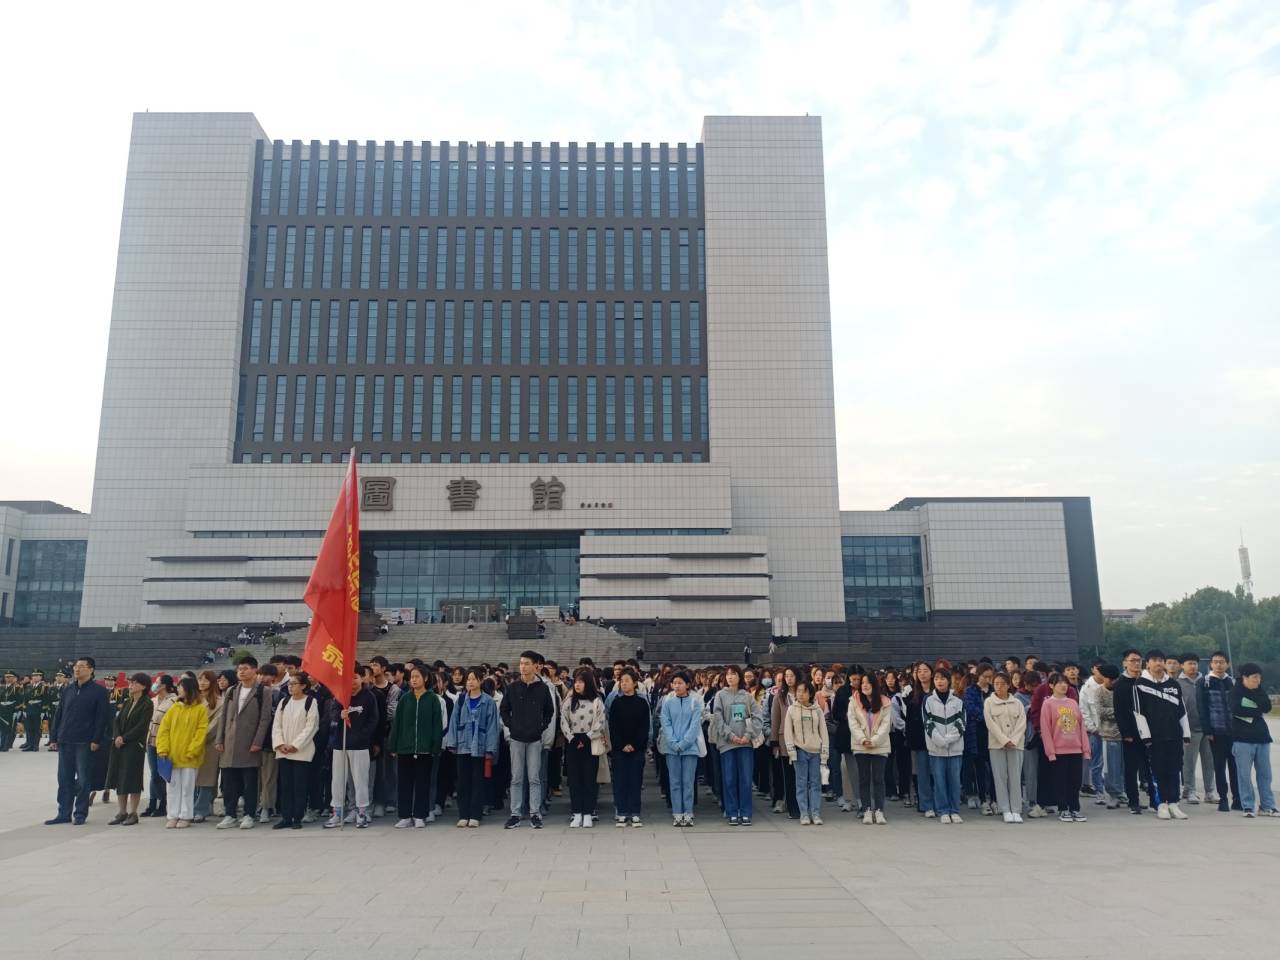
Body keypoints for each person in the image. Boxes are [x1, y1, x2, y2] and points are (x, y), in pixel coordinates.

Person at [46, 658, 111, 825]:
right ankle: (63, 813)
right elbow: (59, 714)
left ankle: (80, 813)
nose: (77, 669)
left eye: (81, 666)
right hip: (65, 740)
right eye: (76, 666)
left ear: (91, 670)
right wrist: (54, 737)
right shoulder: (68, 689)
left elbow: (101, 718)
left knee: (83, 780)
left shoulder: (99, 691)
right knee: (64, 779)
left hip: (85, 742)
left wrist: (96, 739)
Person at [214, 655, 273, 830]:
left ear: (255, 670)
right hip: (229, 743)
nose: (242, 672)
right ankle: (230, 814)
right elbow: (223, 716)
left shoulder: (263, 691)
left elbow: (265, 719)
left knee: (250, 782)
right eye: (240, 669)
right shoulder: (232, 690)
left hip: (249, 743)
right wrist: (219, 739)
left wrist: (258, 741)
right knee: (229, 782)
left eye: (246, 668)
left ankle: (249, 814)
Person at [1134, 649, 1191, 820]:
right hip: (1154, 737)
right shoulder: (1140, 684)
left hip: (1174, 735)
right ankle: (1160, 804)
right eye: (1154, 660)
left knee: (1174, 769)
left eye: (1161, 660)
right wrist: (1146, 736)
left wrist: (1186, 733)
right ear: (1148, 664)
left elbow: (1182, 710)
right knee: (1157, 771)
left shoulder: (1173, 684)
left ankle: (1173, 802)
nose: (1158, 663)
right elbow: (1138, 712)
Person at [500, 651, 554, 830]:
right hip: (516, 738)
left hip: (535, 739)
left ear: (535, 666)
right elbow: (504, 709)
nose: (523, 666)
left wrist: (541, 727)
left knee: (534, 778)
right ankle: (515, 814)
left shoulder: (543, 688)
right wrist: (511, 725)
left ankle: (534, 813)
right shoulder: (513, 687)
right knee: (516, 778)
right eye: (521, 663)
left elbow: (549, 711)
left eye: (526, 663)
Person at [443, 667, 498, 828]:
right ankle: (463, 814)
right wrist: (452, 743)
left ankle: (475, 814)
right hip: (463, 746)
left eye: (474, 679)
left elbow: (492, 727)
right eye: (468, 679)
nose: (470, 682)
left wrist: (490, 748)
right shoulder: (461, 700)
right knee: (463, 782)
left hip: (480, 747)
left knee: (477, 782)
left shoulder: (488, 701)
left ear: (480, 681)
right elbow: (454, 722)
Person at [325, 670, 380, 828]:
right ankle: (337, 812)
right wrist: (339, 714)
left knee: (361, 780)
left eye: (355, 677)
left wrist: (362, 736)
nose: (352, 681)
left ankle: (362, 812)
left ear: (361, 678)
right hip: (340, 744)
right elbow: (332, 713)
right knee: (338, 780)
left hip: (360, 745)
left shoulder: (369, 696)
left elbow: (373, 719)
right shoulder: (340, 694)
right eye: (349, 678)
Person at [391, 666, 445, 828]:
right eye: (412, 677)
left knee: (423, 783)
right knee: (404, 783)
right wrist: (394, 745)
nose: (413, 680)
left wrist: (435, 746)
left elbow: (437, 725)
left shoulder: (433, 699)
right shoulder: (405, 699)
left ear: (425, 678)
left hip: (424, 749)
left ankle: (420, 815)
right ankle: (405, 816)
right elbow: (397, 724)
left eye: (417, 677)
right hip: (405, 748)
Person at [155, 675, 209, 829]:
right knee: (172, 787)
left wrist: (193, 750)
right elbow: (164, 730)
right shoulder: (174, 708)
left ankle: (185, 816)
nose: (178, 689)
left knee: (187, 788)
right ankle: (172, 815)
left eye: (180, 686)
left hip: (189, 757)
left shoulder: (200, 709)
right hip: (172, 756)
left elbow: (201, 731)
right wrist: (163, 749)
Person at [712, 664, 762, 826]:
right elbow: (718, 718)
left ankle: (746, 812)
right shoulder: (720, 695)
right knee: (729, 779)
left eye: (733, 674)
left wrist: (748, 735)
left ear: (739, 677)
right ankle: (732, 811)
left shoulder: (747, 696)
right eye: (728, 674)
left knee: (746, 779)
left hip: (745, 744)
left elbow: (757, 717)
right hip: (727, 744)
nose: (730, 677)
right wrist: (730, 735)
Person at [270, 671, 320, 830]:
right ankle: (286, 817)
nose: (290, 687)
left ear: (303, 686)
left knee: (299, 786)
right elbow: (276, 725)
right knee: (285, 786)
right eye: (289, 684)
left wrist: (295, 745)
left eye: (294, 684)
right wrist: (280, 744)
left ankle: (297, 817)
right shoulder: (284, 702)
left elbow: (311, 726)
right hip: (283, 751)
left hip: (301, 752)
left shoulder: (310, 701)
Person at [105, 673, 153, 826]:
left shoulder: (147, 703)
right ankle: (122, 812)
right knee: (120, 778)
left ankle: (133, 813)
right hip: (119, 745)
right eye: (130, 683)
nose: (130, 685)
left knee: (132, 778)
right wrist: (117, 736)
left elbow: (141, 726)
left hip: (133, 746)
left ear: (143, 686)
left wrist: (124, 738)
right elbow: (117, 721)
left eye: (134, 683)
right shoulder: (127, 701)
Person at [1040, 672, 1089, 823]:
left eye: (1065, 683)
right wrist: (1050, 752)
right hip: (1059, 750)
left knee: (1075, 781)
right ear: (1051, 685)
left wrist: (1085, 749)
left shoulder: (1073, 703)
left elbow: (1081, 727)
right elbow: (1046, 730)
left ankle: (1075, 808)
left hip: (1076, 749)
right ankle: (1063, 808)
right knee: (1060, 781)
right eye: (1059, 683)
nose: (1063, 685)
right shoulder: (1048, 704)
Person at [561, 667, 606, 828]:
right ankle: (577, 813)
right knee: (574, 780)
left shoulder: (596, 701)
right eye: (576, 682)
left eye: (581, 682)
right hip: (573, 742)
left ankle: (588, 812)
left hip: (590, 742)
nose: (577, 685)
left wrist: (587, 737)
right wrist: (572, 738)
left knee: (589, 779)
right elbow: (563, 721)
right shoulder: (569, 701)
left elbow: (600, 722)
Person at [1229, 664, 1276, 818]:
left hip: (1262, 737)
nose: (1258, 680)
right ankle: (1248, 806)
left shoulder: (1259, 690)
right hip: (1242, 739)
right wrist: (1257, 710)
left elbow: (1267, 707)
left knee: (1265, 774)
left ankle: (1268, 805)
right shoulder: (1235, 691)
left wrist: (1255, 700)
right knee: (1244, 774)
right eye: (1255, 677)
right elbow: (1236, 709)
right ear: (1245, 677)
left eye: (1259, 677)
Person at [660, 670, 705, 827]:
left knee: (688, 782)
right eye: (674, 683)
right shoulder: (667, 703)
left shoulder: (694, 703)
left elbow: (694, 725)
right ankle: (677, 813)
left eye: (680, 683)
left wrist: (684, 743)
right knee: (675, 782)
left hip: (690, 748)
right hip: (671, 748)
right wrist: (673, 742)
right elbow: (665, 724)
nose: (677, 686)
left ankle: (688, 812)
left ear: (687, 684)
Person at [1197, 651, 1241, 812]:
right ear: (1211, 664)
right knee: (1219, 767)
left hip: (1234, 732)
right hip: (1215, 732)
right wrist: (1207, 730)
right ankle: (1223, 799)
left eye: (1222, 662)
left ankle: (1237, 799)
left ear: (1227, 664)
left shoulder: (1233, 682)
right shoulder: (1204, 682)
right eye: (1215, 662)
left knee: (1235, 767)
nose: (1218, 665)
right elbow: (1201, 708)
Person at [983, 671, 1026, 823]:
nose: (999, 686)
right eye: (996, 684)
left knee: (1015, 777)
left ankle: (1016, 809)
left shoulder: (1017, 703)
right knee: (1000, 777)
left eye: (1002, 684)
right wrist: (1003, 740)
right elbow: (990, 724)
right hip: (996, 745)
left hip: (1016, 744)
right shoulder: (989, 702)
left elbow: (1022, 723)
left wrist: (1013, 740)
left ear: (1008, 685)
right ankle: (1005, 809)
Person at [924, 667, 965, 824]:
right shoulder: (928, 701)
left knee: (955, 781)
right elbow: (927, 723)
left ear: (949, 681)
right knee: (939, 781)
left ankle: (954, 810)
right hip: (936, 749)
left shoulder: (958, 701)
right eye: (936, 679)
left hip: (955, 749)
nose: (939, 681)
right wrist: (940, 741)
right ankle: (943, 810)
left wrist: (948, 739)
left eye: (942, 678)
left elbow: (961, 723)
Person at [785, 678, 828, 826]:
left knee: (815, 784)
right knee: (801, 784)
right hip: (800, 751)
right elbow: (788, 732)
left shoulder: (817, 710)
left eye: (804, 691)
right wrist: (791, 751)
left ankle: (815, 813)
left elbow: (823, 732)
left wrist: (824, 753)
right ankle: (804, 813)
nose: (801, 694)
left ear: (810, 693)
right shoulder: (791, 709)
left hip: (815, 752)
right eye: (798, 691)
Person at [1113, 648, 1151, 815]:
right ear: (1125, 663)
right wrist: (1126, 733)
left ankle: (1154, 799)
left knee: (1148, 767)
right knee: (1131, 768)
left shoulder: (1145, 681)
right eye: (1133, 660)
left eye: (1138, 660)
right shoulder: (1120, 684)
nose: (1136, 663)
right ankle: (1133, 801)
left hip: (1148, 732)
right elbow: (1119, 711)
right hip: (1131, 733)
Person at [608, 668, 648, 827]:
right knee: (620, 781)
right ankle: (622, 812)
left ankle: (635, 812)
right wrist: (621, 745)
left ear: (635, 683)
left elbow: (644, 727)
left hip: (637, 749)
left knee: (635, 780)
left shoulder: (641, 703)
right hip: (619, 750)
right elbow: (613, 727)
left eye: (627, 681)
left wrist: (635, 745)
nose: (623, 684)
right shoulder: (616, 703)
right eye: (621, 681)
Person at [849, 672, 890, 824]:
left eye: (868, 682)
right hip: (861, 745)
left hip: (880, 745)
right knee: (864, 778)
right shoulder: (853, 701)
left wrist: (874, 740)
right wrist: (863, 739)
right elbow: (852, 723)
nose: (864, 685)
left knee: (878, 779)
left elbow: (886, 725)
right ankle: (866, 809)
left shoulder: (885, 702)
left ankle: (879, 810)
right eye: (862, 683)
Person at [1176, 652, 1212, 806]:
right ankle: (1189, 790)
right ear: (1182, 665)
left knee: (1209, 762)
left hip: (1207, 729)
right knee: (1189, 762)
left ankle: (1210, 791)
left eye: (1195, 663)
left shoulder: (1206, 681)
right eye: (1189, 663)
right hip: (1189, 729)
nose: (1193, 666)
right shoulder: (1177, 683)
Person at [143, 675, 177, 819]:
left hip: (165, 742)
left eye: (157, 683)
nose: (154, 685)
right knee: (154, 774)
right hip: (151, 741)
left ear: (164, 685)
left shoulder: (174, 701)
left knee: (163, 773)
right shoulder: (153, 700)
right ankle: (152, 803)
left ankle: (163, 804)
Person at [963, 665, 995, 815]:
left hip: (994, 733)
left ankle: (994, 799)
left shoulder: (994, 690)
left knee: (994, 768)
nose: (988, 680)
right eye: (985, 676)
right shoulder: (970, 690)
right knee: (980, 768)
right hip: (977, 732)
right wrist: (988, 718)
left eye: (990, 677)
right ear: (978, 676)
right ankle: (983, 800)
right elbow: (970, 709)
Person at [905, 662, 935, 818]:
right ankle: (925, 804)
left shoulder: (937, 692)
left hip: (938, 739)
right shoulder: (912, 694)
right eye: (919, 671)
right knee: (922, 773)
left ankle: (939, 802)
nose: (922, 674)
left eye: (925, 670)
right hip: (920, 740)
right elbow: (909, 720)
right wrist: (911, 740)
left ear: (932, 673)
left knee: (937, 773)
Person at [193, 671, 223, 823]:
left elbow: (215, 725)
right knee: (191, 779)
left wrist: (198, 738)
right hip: (189, 744)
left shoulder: (219, 701)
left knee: (206, 778)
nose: (202, 682)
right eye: (200, 679)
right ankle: (192, 807)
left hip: (208, 744)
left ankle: (200, 810)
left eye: (206, 680)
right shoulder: (193, 699)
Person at [0, 670, 20, 751]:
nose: (7, 678)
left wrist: (16, 711)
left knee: (9, 728)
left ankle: (6, 745)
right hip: (2, 709)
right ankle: (2, 745)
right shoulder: (2, 687)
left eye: (9, 677)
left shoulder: (16, 688)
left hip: (11, 710)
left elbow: (19, 700)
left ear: (13, 678)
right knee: (2, 728)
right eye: (6, 677)